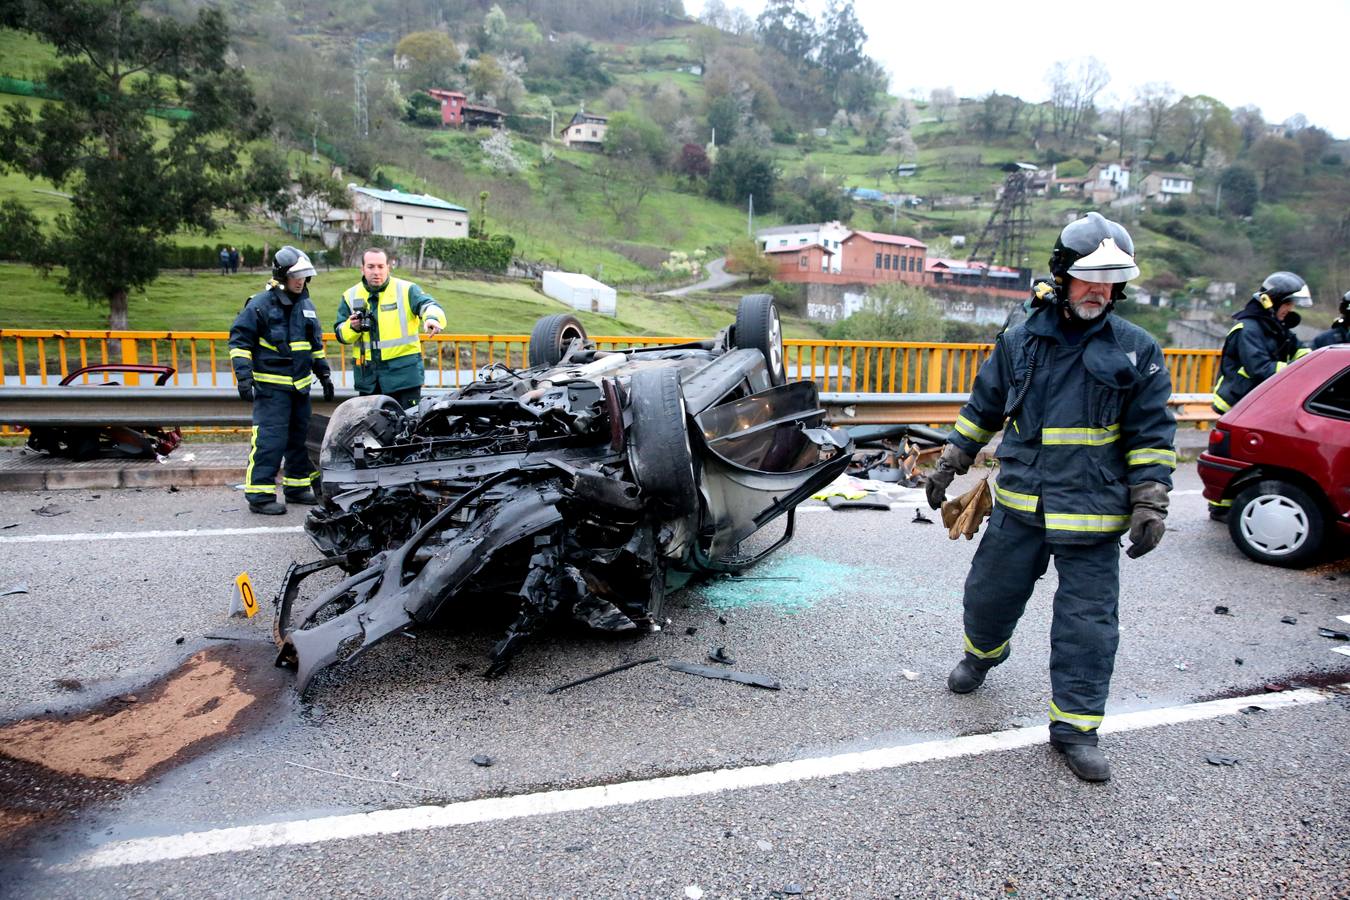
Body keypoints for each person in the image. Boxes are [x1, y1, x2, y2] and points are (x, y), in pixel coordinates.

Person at [925, 212, 1176, 783]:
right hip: (1021, 504)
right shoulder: (1020, 341)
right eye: (1088, 278)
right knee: (987, 597)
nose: (1098, 291)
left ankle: (1076, 729)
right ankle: (983, 655)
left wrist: (1151, 502)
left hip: (1093, 514)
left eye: (1110, 281)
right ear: (1063, 277)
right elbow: (983, 407)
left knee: (1088, 626)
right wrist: (950, 462)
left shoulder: (1138, 350)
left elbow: (1152, 435)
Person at [229, 246, 335, 515]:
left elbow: (315, 347)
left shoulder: (306, 306)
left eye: (304, 275)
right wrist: (243, 377)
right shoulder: (259, 305)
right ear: (281, 275)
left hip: (299, 388)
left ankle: (297, 487)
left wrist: (324, 374)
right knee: (269, 440)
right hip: (271, 388)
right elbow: (240, 342)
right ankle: (259, 495)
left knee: (300, 440)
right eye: (295, 275)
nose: (300, 281)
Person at [334, 248, 446, 409]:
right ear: (362, 269)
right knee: (373, 430)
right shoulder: (350, 295)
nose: (376, 272)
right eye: (371, 267)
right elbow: (340, 334)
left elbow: (430, 305)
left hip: (404, 378)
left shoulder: (406, 290)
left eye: (380, 266)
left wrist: (432, 319)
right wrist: (352, 327)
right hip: (369, 381)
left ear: (388, 267)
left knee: (407, 428)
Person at [1211, 271, 1310, 415]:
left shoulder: (1278, 328)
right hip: (1238, 403)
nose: (1290, 309)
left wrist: (1313, 363)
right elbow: (1260, 368)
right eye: (1287, 304)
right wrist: (1296, 370)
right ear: (1272, 302)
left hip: (1259, 401)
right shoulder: (1247, 330)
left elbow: (1301, 351)